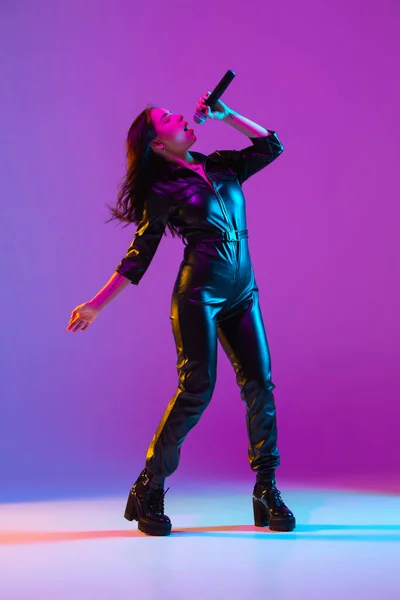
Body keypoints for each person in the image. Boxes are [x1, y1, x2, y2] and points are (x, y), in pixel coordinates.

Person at [66, 91, 296, 536]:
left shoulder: (221, 165)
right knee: (197, 389)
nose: (181, 118)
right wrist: (96, 304)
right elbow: (139, 257)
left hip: (243, 293)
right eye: (169, 119)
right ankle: (150, 486)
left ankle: (266, 488)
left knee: (260, 384)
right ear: (158, 143)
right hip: (199, 295)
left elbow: (271, 146)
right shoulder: (162, 190)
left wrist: (228, 116)